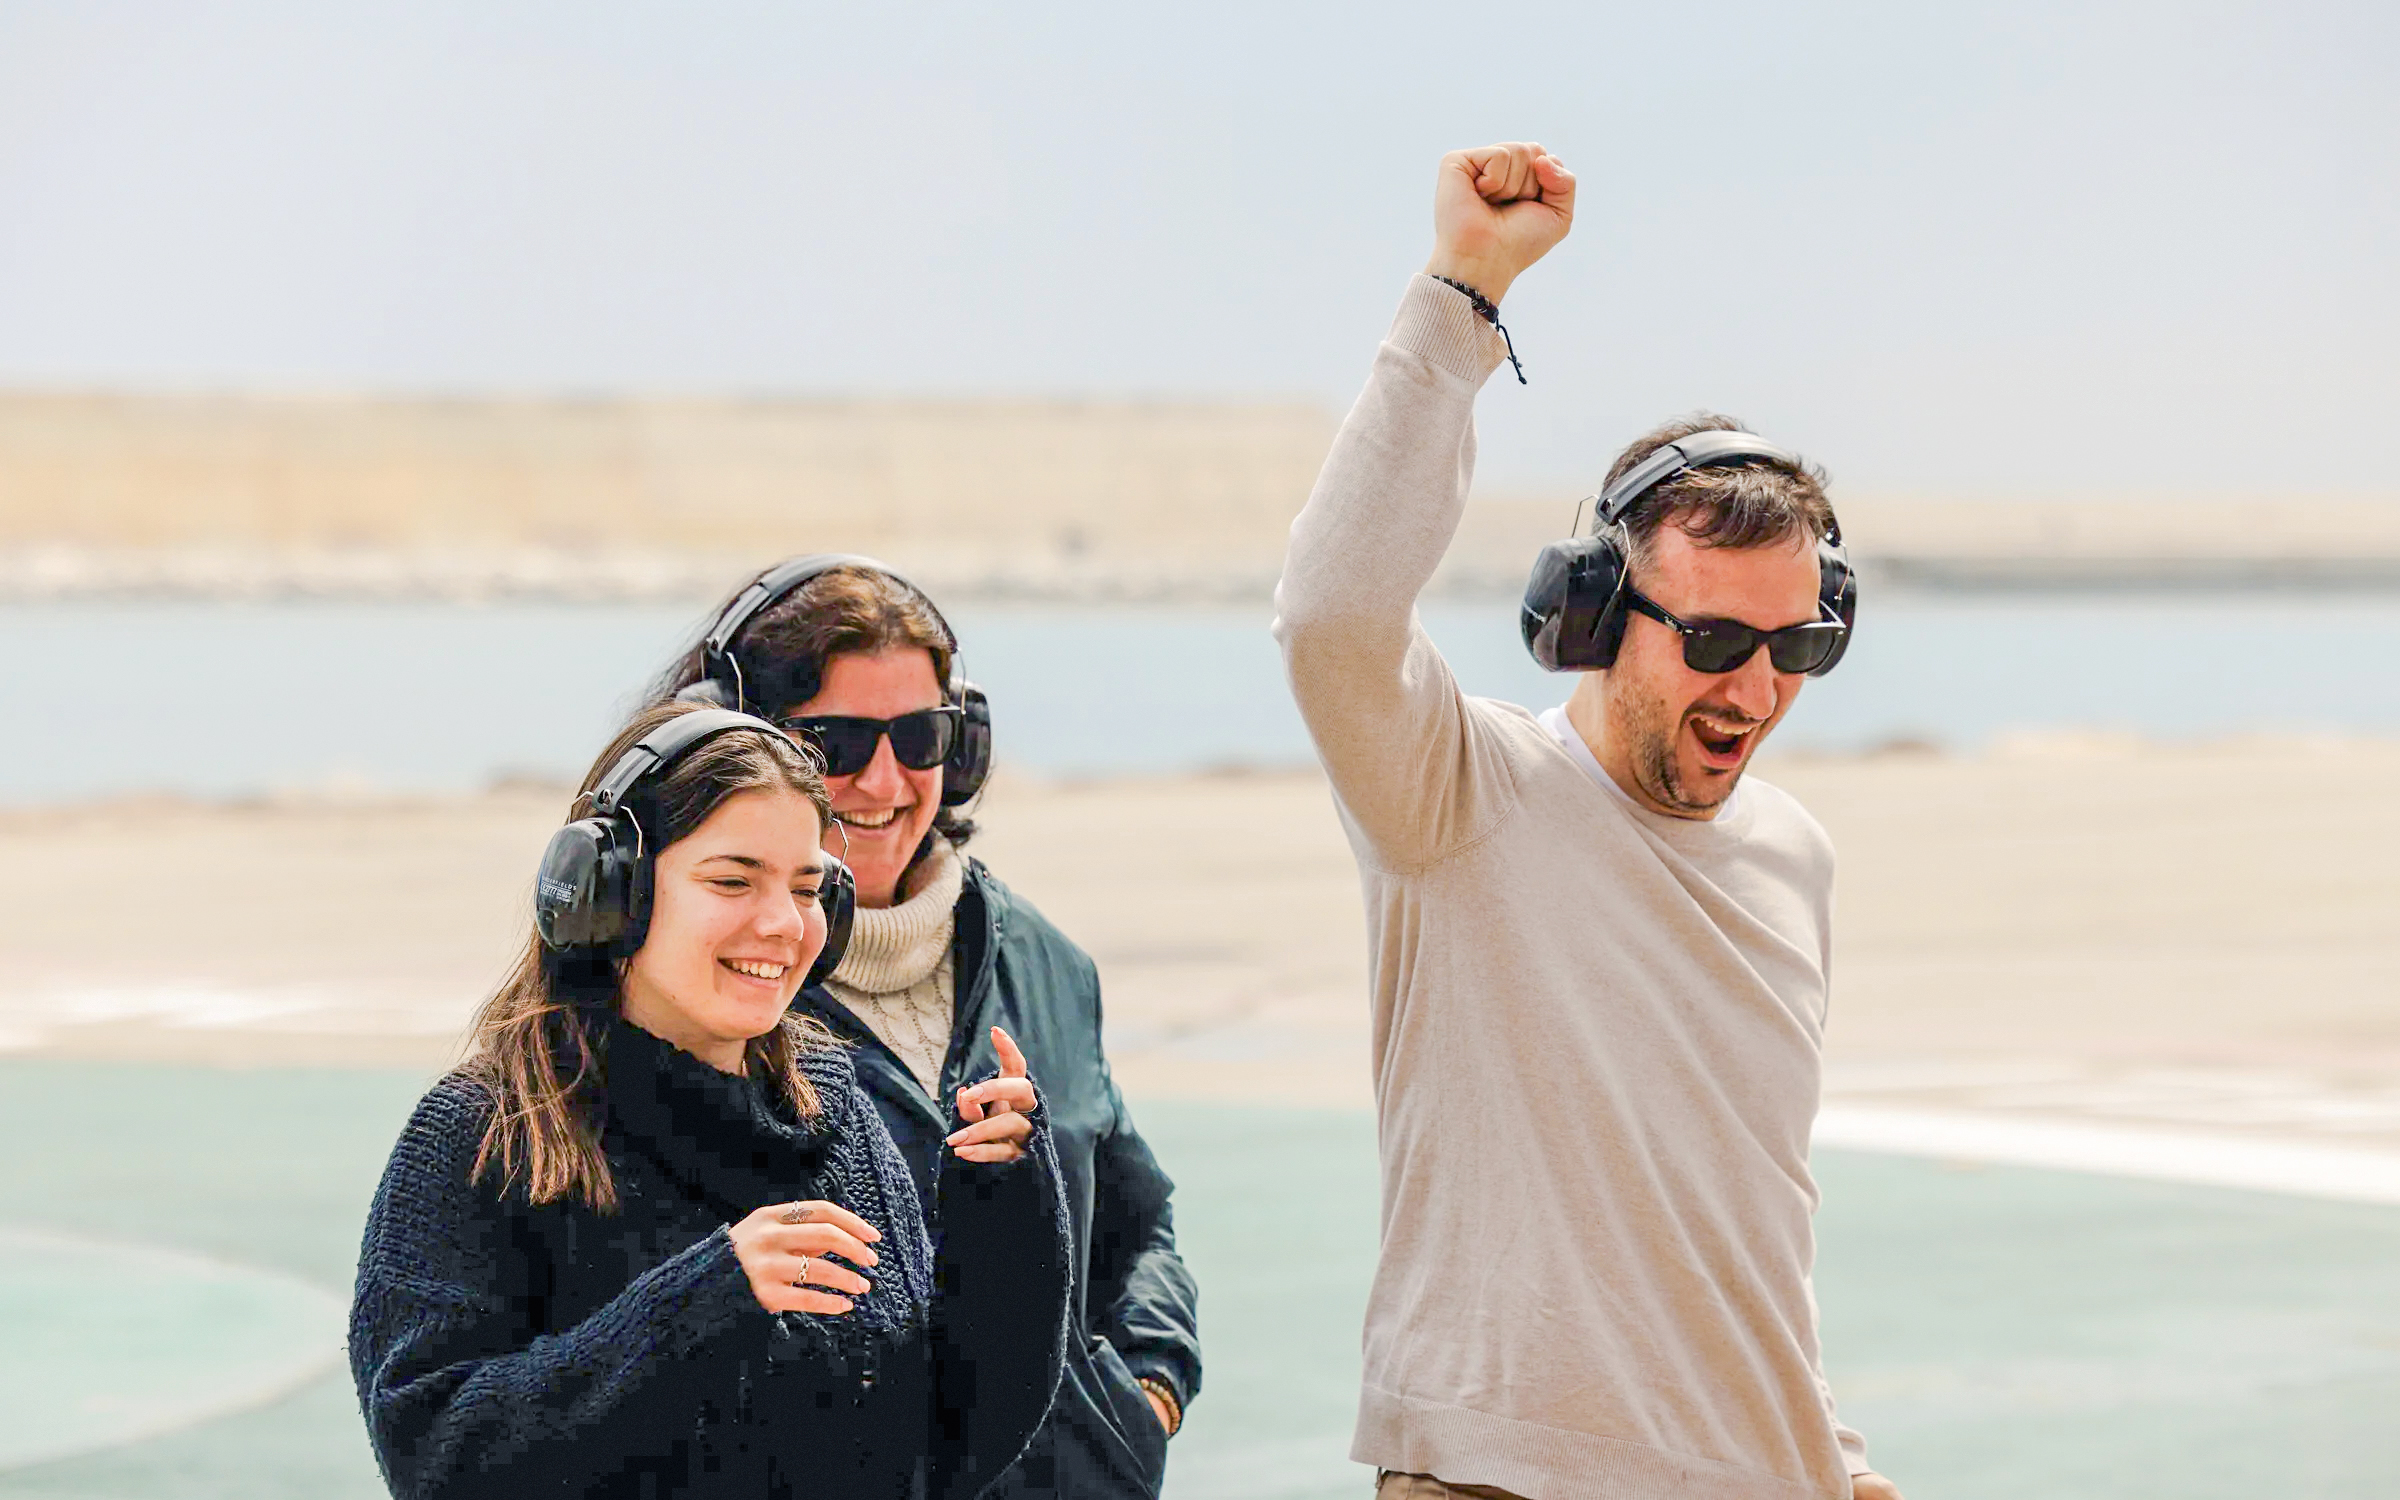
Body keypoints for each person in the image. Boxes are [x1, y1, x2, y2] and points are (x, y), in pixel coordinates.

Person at [1273, 142, 1904, 1500]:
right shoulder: (1457, 796)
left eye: (1796, 645)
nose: (1756, 688)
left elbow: (1743, 1219)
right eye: (1718, 637)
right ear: (1596, 618)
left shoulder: (1797, 857)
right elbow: (1331, 618)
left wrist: (1834, 1452)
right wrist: (1465, 291)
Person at [350, 701, 1072, 1500]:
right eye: (732, 880)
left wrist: (1005, 1211)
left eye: (805, 888)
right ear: (612, 891)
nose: (782, 925)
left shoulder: (835, 1115)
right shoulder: (486, 1130)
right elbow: (436, 1457)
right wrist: (704, 1303)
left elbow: (953, 1446)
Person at [652, 557, 1200, 1500]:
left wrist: (1146, 1392)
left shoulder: (1043, 960)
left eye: (919, 736)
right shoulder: (708, 994)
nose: (883, 779)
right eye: (837, 741)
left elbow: (1136, 1218)